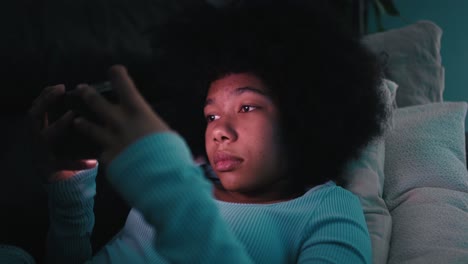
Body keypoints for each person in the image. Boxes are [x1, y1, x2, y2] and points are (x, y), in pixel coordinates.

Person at [29, 0, 388, 263]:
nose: (220, 131)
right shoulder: (187, 174)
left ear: (303, 115)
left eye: (247, 107)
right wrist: (70, 188)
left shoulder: (328, 209)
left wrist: (169, 188)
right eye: (211, 116)